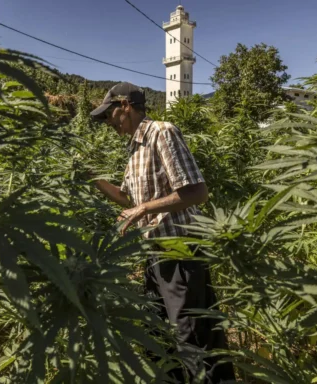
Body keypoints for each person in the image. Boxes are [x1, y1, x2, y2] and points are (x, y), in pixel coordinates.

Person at [88, 82, 236, 383]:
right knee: (158, 335)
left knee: (190, 335)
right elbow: (130, 199)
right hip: (155, 253)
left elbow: (196, 192)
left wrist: (144, 210)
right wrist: (93, 179)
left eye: (110, 115)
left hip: (180, 249)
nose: (108, 123)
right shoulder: (135, 149)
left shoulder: (162, 133)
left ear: (125, 106)